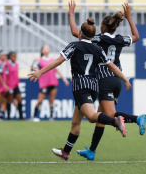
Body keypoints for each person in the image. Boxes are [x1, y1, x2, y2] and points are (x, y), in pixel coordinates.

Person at [28, 18, 132, 160]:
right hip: (94, 87)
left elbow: (59, 60)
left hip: (81, 87)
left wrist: (40, 71)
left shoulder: (74, 45)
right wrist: (125, 78)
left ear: (80, 34)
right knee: (76, 122)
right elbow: (112, 66)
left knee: (90, 117)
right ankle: (66, 151)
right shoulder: (98, 49)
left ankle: (116, 121)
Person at [68, 1, 146, 160]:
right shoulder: (119, 39)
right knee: (100, 116)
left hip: (104, 79)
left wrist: (71, 14)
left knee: (110, 115)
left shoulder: (98, 39)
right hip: (117, 79)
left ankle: (137, 118)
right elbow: (136, 37)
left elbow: (76, 32)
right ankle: (91, 151)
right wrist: (130, 18)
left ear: (103, 27)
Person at [31, 45, 69, 122]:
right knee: (40, 101)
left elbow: (57, 71)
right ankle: (34, 116)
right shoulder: (39, 60)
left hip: (53, 82)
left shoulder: (52, 60)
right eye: (46, 48)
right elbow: (33, 69)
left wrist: (64, 79)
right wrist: (33, 62)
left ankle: (51, 117)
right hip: (44, 84)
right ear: (42, 51)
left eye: (48, 47)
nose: (48, 48)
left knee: (51, 101)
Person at [6, 51, 24, 120]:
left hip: (16, 85)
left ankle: (21, 116)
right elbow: (6, 75)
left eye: (15, 56)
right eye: (13, 56)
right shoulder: (7, 65)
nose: (14, 58)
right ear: (10, 57)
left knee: (19, 99)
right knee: (9, 100)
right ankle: (8, 116)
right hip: (10, 85)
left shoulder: (16, 64)